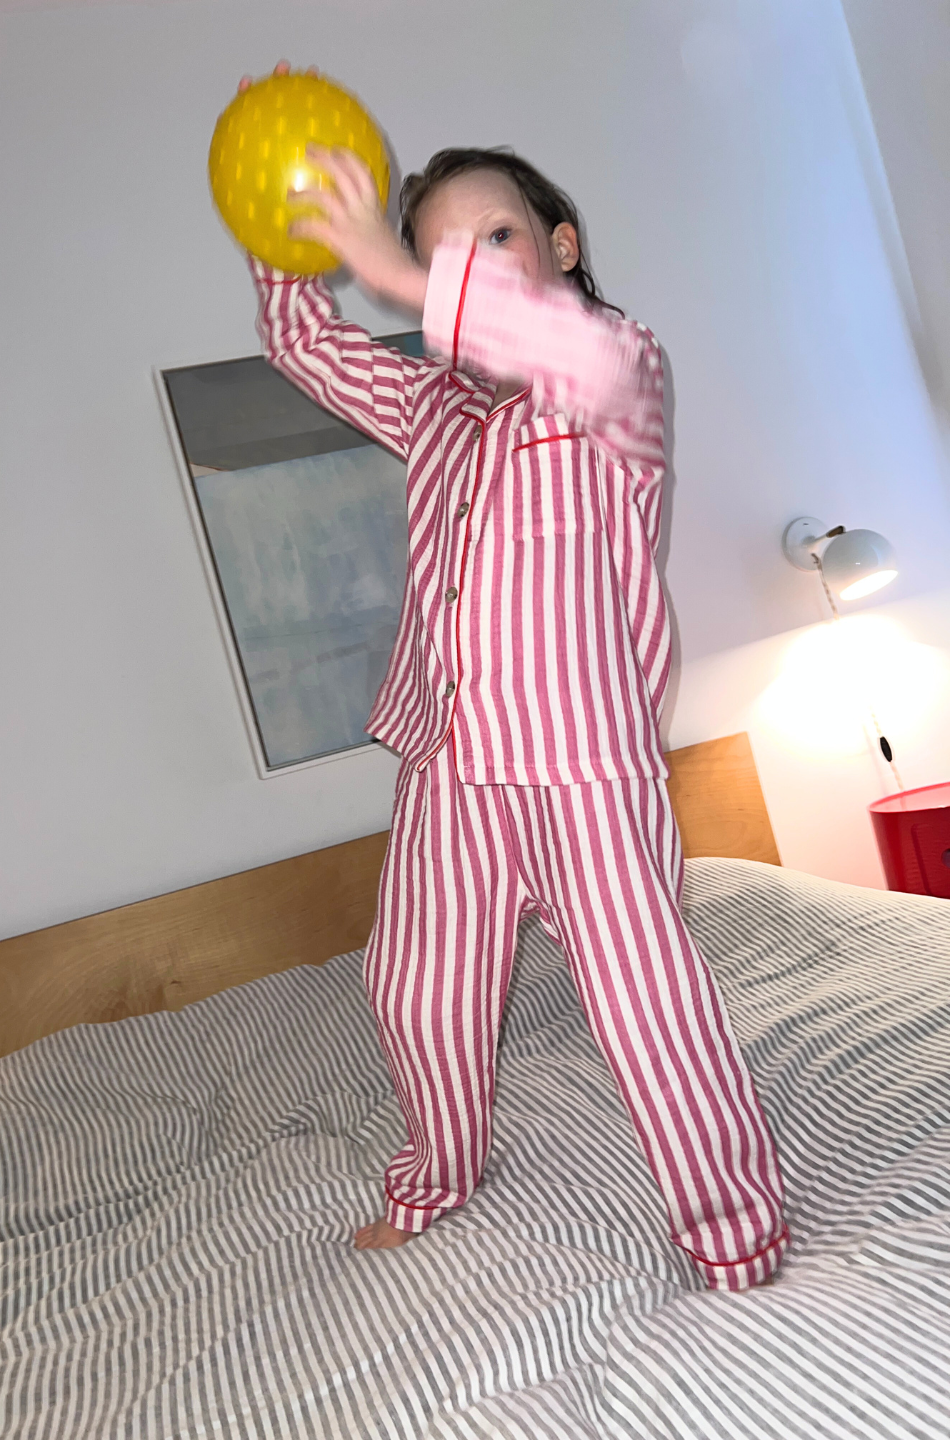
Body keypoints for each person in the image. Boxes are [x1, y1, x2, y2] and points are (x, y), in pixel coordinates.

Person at [236, 63, 788, 1291]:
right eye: (441, 257)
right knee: (413, 984)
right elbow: (300, 341)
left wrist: (396, 268)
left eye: (493, 239)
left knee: (645, 999)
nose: (463, 271)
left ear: (561, 245)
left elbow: (567, 354)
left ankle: (733, 1227)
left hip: (583, 760)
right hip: (450, 768)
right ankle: (443, 1165)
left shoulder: (617, 373)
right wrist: (284, 219)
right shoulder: (432, 407)